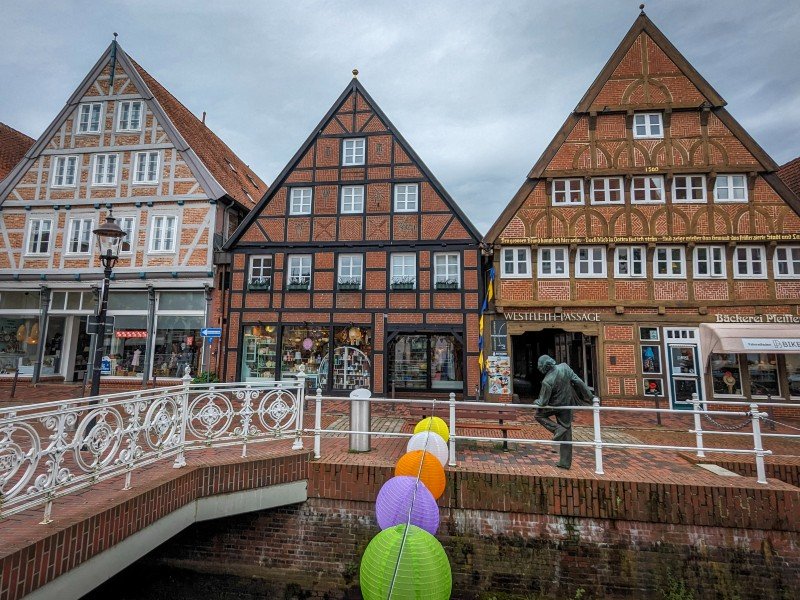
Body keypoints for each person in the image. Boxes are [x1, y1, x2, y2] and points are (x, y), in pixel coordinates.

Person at [533, 355, 595, 469]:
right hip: (567, 404)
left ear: (544, 367)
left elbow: (543, 402)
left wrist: (536, 401)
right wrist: (590, 397)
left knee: (538, 415)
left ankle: (556, 429)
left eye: (539, 365)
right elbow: (579, 382)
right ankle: (565, 462)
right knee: (567, 430)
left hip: (555, 405)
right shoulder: (565, 367)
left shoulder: (547, 381)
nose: (538, 368)